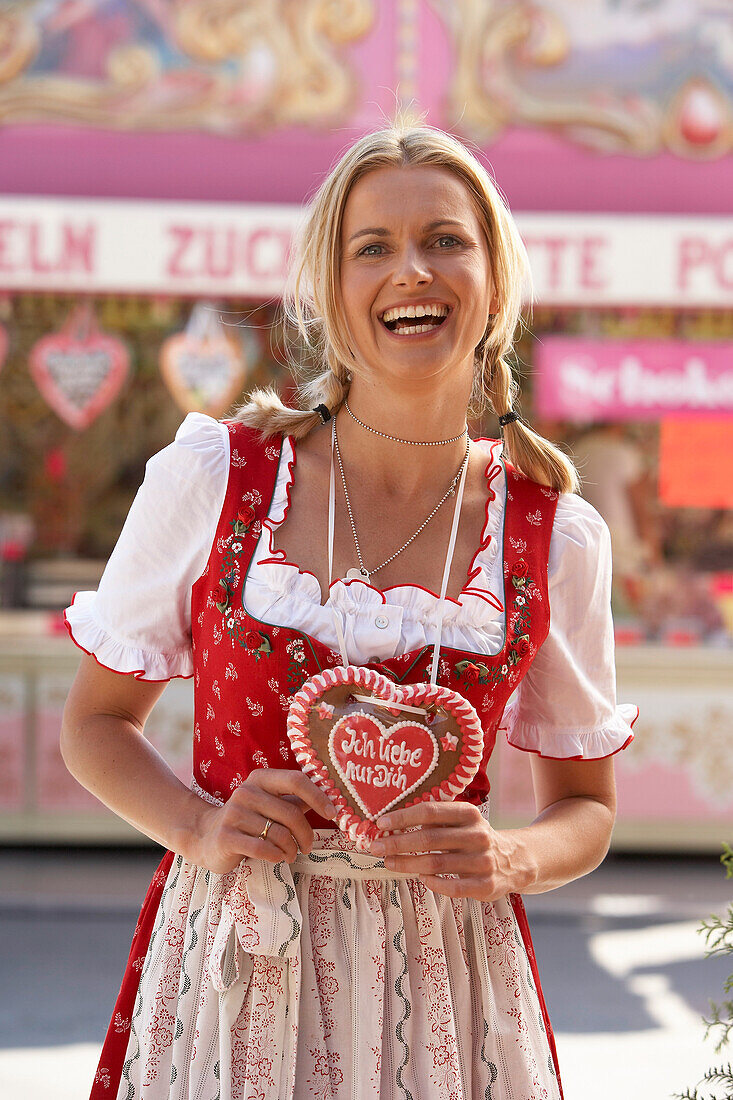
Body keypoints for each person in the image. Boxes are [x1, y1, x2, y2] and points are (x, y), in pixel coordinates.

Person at [61, 120, 638, 1100]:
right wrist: (201, 826)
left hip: (444, 991)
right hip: (237, 966)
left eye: (445, 239)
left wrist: (509, 854)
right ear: (328, 292)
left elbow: (583, 808)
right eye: (371, 246)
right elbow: (95, 723)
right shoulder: (215, 477)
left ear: (494, 278)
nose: (410, 269)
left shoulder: (554, 532)